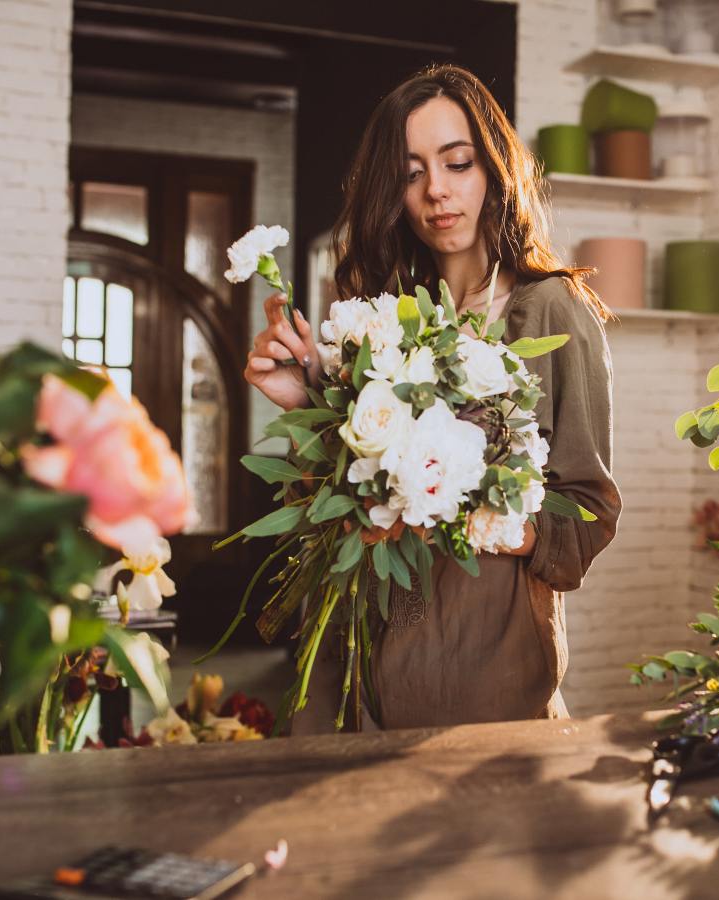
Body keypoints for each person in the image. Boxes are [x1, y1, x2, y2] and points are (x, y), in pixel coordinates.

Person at [244, 64, 621, 733]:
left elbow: (588, 514)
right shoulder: (380, 318)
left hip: (479, 678)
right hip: (351, 665)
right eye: (412, 171)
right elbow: (341, 505)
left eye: (457, 162)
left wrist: (465, 513)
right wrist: (305, 403)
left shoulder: (548, 310)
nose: (436, 191)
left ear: (493, 170)